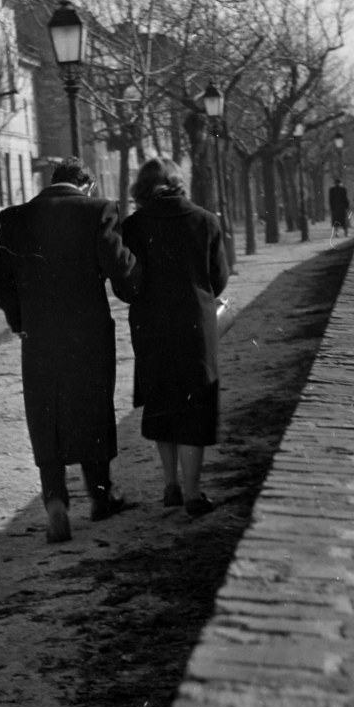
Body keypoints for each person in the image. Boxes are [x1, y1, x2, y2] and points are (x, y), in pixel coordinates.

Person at [0, 159, 141, 543]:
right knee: (92, 407)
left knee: (46, 414)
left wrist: (21, 320)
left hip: (39, 336)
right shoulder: (98, 210)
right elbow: (119, 267)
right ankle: (101, 496)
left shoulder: (14, 219)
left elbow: (1, 285)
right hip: (88, 332)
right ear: (87, 185)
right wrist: (136, 286)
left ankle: (56, 503)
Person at [120, 156, 230, 519]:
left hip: (151, 326)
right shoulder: (206, 221)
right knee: (194, 407)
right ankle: (194, 493)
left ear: (141, 187)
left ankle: (170, 485)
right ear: (178, 182)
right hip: (195, 327)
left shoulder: (133, 226)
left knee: (162, 403)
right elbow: (219, 279)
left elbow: (126, 284)